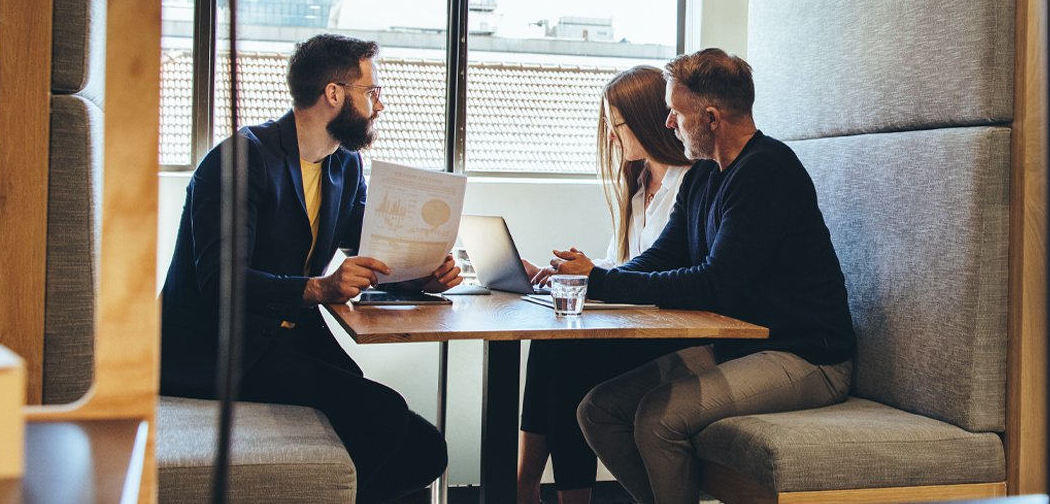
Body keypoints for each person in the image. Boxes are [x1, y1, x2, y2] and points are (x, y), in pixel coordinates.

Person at [159, 34, 461, 504]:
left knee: (426, 449)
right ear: (335, 94)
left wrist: (424, 272)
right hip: (216, 347)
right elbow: (221, 282)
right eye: (372, 92)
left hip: (287, 336)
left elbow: (370, 245)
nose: (379, 106)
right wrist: (320, 288)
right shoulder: (241, 160)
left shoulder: (344, 166)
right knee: (383, 415)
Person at [549, 48, 856, 504]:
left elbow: (715, 284)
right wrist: (590, 279)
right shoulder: (702, 178)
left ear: (710, 118)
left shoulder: (767, 170)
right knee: (599, 409)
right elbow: (660, 257)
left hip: (806, 357)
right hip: (744, 347)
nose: (668, 123)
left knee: (658, 418)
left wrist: (602, 282)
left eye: (676, 112)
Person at [515, 66, 697, 504]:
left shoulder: (690, 184)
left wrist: (593, 275)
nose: (613, 138)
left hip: (669, 331)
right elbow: (625, 265)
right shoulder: (638, 188)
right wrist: (558, 270)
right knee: (548, 341)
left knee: (568, 355)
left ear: (650, 121)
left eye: (618, 126)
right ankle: (522, 488)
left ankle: (561, 497)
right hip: (635, 320)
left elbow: (663, 272)